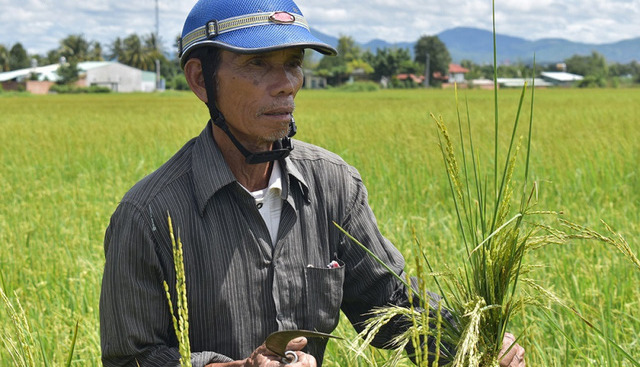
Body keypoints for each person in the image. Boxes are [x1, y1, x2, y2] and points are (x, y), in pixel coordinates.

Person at [99, 0, 526, 366]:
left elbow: (392, 305)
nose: (285, 84)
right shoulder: (149, 215)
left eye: (293, 63)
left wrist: (469, 341)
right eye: (257, 64)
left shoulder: (332, 184)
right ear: (199, 80)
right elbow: (128, 357)